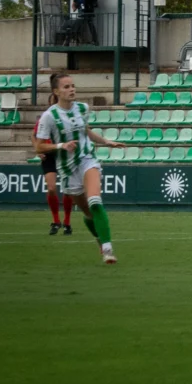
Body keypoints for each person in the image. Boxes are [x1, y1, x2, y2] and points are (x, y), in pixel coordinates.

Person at [32, 74, 125, 263]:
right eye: (66, 87)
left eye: (73, 86)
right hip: (67, 169)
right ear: (56, 91)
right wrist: (60, 146)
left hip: (87, 159)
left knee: (95, 201)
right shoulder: (49, 116)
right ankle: (99, 240)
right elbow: (39, 147)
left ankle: (108, 249)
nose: (71, 89)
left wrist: (106, 141)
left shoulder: (83, 108)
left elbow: (86, 131)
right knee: (88, 213)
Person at [33, 92, 75, 235]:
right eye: (52, 102)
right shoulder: (46, 117)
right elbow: (34, 136)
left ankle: (67, 222)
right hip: (49, 154)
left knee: (68, 190)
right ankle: (56, 221)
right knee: (51, 188)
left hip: (64, 155)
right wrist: (38, 150)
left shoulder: (67, 117)